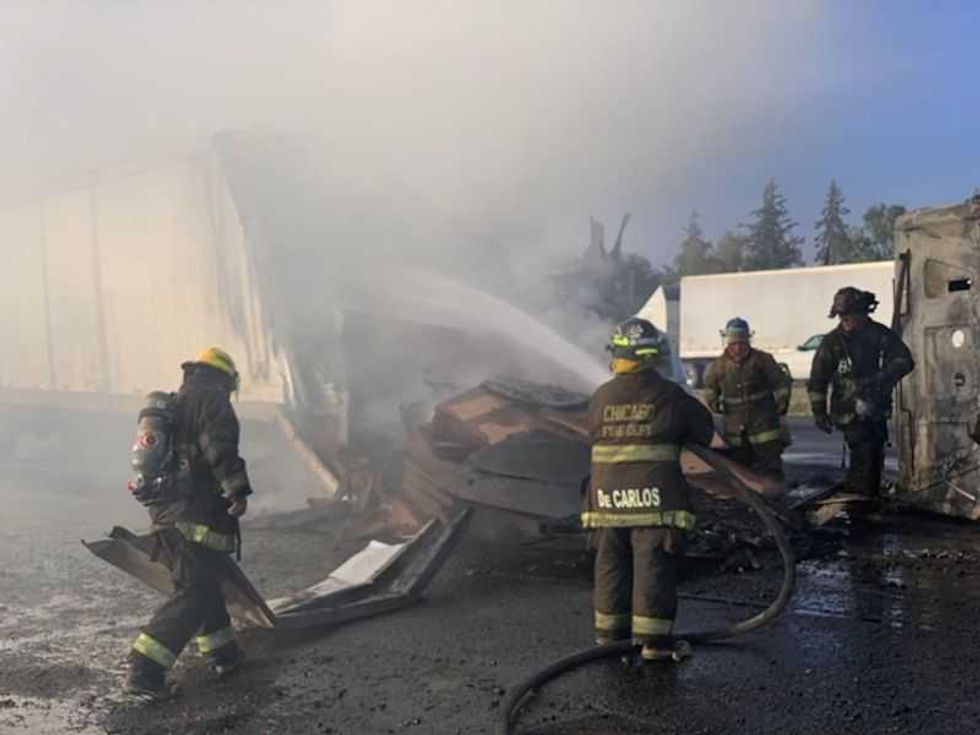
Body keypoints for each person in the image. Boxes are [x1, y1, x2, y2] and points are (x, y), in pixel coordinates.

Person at [581, 317, 714, 661]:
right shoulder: (669, 395)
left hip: (606, 502)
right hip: (654, 503)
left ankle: (610, 638)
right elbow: (702, 429)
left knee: (610, 567)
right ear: (653, 355)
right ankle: (653, 645)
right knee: (652, 568)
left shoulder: (599, 396)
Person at [125, 347, 253, 700]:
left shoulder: (179, 401)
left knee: (206, 583)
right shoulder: (212, 400)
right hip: (194, 513)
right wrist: (237, 489)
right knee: (193, 591)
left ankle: (225, 655)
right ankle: (144, 673)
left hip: (169, 511)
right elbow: (219, 447)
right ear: (226, 377)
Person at [808, 288, 914, 497]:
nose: (846, 320)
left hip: (876, 409)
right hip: (848, 413)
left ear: (863, 313)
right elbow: (817, 380)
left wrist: (880, 380)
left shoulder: (879, 335)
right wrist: (819, 413)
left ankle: (865, 499)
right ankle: (861, 504)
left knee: (873, 458)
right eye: (842, 316)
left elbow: (904, 361)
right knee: (864, 458)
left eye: (850, 316)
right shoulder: (832, 342)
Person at [702, 317, 793, 480]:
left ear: (748, 341)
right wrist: (713, 403)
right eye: (733, 344)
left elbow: (781, 383)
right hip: (736, 432)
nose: (737, 348)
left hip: (765, 427)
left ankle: (774, 499)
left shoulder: (763, 360)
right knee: (741, 471)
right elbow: (709, 390)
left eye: (742, 343)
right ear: (727, 343)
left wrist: (782, 402)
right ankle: (745, 502)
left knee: (770, 468)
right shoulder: (717, 366)